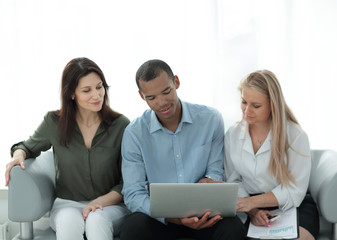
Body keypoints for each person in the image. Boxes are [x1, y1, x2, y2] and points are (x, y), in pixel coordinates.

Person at [5, 57, 131, 240]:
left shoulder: (120, 125)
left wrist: (98, 202)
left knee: (96, 220)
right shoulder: (54, 123)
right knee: (68, 222)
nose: (97, 95)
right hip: (67, 205)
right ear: (72, 93)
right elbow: (26, 146)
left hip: (110, 206)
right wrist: (18, 155)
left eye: (99, 87)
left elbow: (128, 179)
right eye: (87, 90)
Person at [119, 59, 245, 240]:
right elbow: (133, 193)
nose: (162, 102)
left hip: (205, 213)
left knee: (232, 228)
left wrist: (207, 183)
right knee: (133, 228)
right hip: (162, 219)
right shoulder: (134, 133)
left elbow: (216, 170)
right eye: (151, 98)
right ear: (141, 96)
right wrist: (173, 217)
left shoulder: (211, 119)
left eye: (166, 91)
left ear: (176, 82)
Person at [224, 70, 319, 240]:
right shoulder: (232, 134)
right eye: (244, 102)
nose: (247, 111)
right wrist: (252, 210)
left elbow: (294, 190)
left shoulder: (295, 135)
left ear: (272, 104)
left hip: (291, 206)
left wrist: (253, 203)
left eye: (256, 105)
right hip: (250, 208)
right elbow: (234, 180)